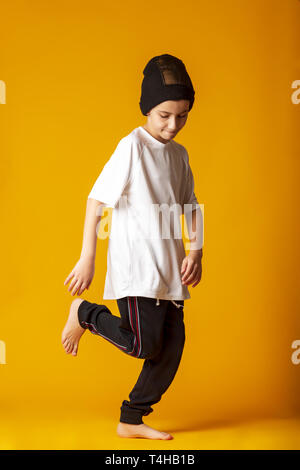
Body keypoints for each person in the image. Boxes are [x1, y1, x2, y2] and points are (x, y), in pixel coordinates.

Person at [62, 54, 203, 440]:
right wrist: (88, 257)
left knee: (171, 348)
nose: (173, 125)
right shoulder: (132, 147)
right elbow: (96, 201)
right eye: (164, 115)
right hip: (136, 267)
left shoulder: (179, 154)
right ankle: (86, 313)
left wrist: (195, 251)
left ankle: (132, 419)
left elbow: (191, 205)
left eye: (182, 116)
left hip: (169, 268)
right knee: (143, 344)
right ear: (147, 109)